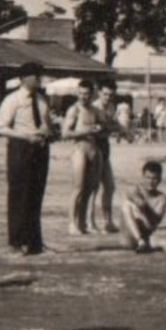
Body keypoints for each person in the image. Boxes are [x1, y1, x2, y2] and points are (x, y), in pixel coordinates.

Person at [0, 62, 52, 255]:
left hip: (40, 148)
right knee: (19, 194)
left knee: (36, 194)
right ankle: (17, 241)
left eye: (40, 75)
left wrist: (45, 133)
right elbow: (1, 127)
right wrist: (26, 136)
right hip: (21, 148)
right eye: (35, 75)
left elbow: (46, 123)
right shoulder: (12, 100)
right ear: (23, 78)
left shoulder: (42, 100)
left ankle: (35, 242)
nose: (39, 78)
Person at [62, 79, 105, 235]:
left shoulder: (95, 110)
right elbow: (65, 133)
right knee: (78, 188)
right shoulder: (74, 110)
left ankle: (87, 222)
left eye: (86, 94)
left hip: (94, 149)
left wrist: (100, 128)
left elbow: (104, 127)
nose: (83, 97)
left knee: (92, 189)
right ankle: (72, 223)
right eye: (80, 93)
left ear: (92, 94)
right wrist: (87, 132)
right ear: (77, 93)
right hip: (79, 150)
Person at [90, 80, 121, 232]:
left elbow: (112, 126)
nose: (108, 97)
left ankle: (107, 221)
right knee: (93, 188)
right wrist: (110, 127)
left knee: (109, 186)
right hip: (93, 147)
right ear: (99, 92)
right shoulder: (94, 107)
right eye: (105, 94)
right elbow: (94, 129)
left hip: (105, 147)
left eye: (111, 95)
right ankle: (90, 222)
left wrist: (111, 127)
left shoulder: (111, 107)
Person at [120, 160, 166, 253]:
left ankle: (142, 242)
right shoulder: (136, 189)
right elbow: (127, 194)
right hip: (128, 236)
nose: (151, 182)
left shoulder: (162, 198)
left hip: (146, 233)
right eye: (148, 178)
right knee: (127, 205)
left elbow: (155, 222)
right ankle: (140, 241)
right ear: (143, 177)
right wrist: (138, 203)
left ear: (160, 179)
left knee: (133, 207)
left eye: (154, 178)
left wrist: (144, 207)